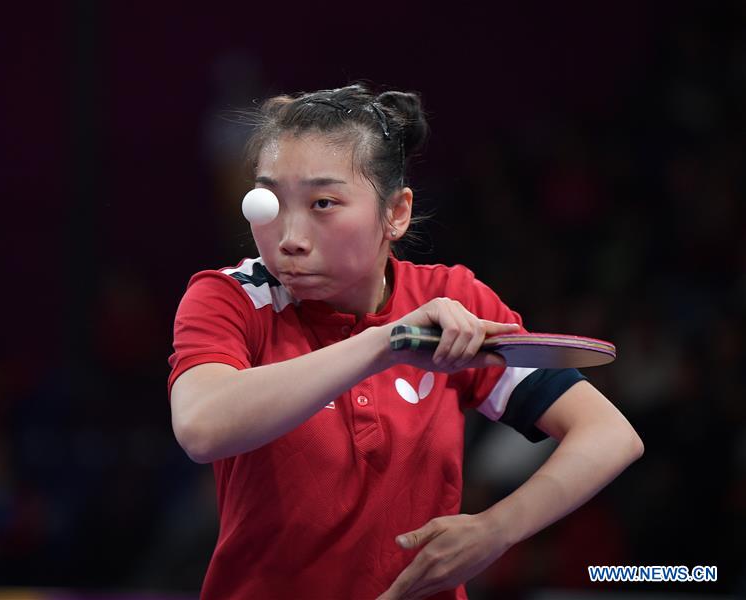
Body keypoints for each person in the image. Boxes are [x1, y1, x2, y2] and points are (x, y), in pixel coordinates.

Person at [167, 83, 643, 600]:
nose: (290, 237)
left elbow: (609, 434)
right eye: (271, 202)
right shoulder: (233, 297)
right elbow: (202, 426)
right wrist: (385, 344)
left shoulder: (449, 298)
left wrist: (496, 531)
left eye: (323, 203)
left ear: (395, 213)